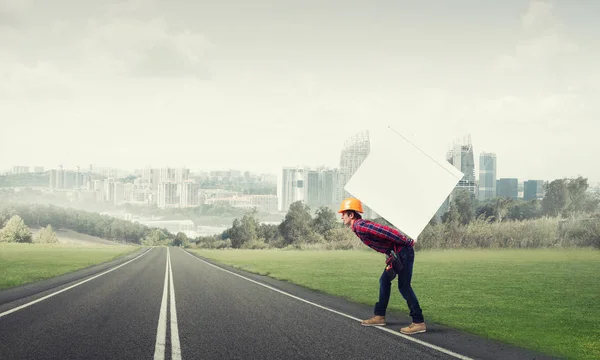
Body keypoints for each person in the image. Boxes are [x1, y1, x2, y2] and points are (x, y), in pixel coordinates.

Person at [338, 197, 426, 335]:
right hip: (396, 254)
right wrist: (389, 254)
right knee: (384, 281)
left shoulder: (361, 226)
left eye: (343, 213)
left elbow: (385, 231)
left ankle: (418, 322)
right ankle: (379, 316)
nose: (341, 216)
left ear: (351, 214)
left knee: (404, 286)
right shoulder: (358, 227)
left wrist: (407, 241)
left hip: (403, 252)